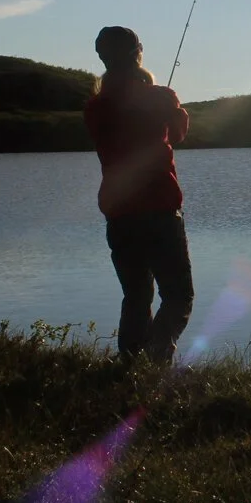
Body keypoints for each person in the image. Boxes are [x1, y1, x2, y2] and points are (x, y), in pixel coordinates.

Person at [84, 25, 193, 362]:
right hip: (160, 209)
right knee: (177, 296)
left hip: (119, 213)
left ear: (102, 56)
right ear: (138, 52)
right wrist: (171, 108)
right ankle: (154, 359)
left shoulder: (96, 107)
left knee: (136, 294)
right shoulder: (159, 97)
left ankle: (131, 364)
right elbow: (178, 134)